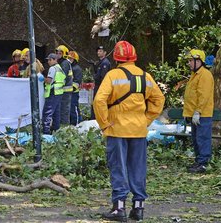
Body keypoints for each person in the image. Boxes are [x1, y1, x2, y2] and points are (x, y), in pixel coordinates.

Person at [94, 41, 164, 222]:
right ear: (134, 56)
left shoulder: (113, 75)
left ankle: (119, 208)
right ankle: (138, 208)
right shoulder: (145, 76)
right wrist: (146, 120)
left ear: (116, 57)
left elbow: (99, 101)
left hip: (117, 130)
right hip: (139, 131)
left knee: (118, 167)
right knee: (137, 168)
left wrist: (104, 124)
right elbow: (159, 99)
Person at [183, 49, 214, 174]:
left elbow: (204, 96)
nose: (189, 63)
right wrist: (188, 114)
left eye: (191, 61)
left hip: (202, 115)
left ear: (198, 61)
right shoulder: (195, 75)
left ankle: (203, 164)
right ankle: (199, 161)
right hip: (194, 114)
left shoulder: (205, 75)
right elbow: (191, 96)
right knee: (196, 139)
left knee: (202, 138)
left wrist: (198, 112)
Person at [42, 53, 65, 135]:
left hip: (52, 92)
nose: (48, 62)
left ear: (54, 60)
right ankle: (56, 130)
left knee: (47, 112)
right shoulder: (60, 68)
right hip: (59, 93)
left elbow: (49, 81)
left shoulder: (52, 68)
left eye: (50, 60)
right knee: (56, 113)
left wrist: (41, 78)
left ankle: (46, 132)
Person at [91, 45, 111, 119]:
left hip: (101, 86)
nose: (98, 52)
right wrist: (94, 66)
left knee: (98, 102)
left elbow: (103, 76)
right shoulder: (100, 62)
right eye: (98, 51)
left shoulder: (105, 63)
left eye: (100, 51)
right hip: (98, 85)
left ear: (105, 53)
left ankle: (97, 118)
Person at [56, 45, 73, 125]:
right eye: (57, 53)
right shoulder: (62, 63)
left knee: (64, 110)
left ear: (64, 54)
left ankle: (65, 126)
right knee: (62, 109)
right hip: (64, 90)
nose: (58, 54)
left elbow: (62, 77)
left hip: (65, 91)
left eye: (60, 53)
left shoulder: (64, 63)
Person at [68, 50, 83, 125]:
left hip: (74, 93)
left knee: (74, 108)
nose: (69, 60)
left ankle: (77, 123)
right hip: (69, 92)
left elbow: (77, 81)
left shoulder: (77, 69)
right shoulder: (70, 68)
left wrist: (72, 89)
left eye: (71, 59)